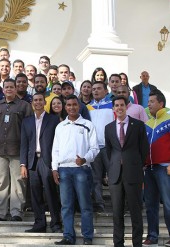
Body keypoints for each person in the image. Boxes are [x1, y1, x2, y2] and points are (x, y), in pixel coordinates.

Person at [52, 94, 99, 245]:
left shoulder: (87, 124)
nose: (71, 107)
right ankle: (68, 236)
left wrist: (85, 159)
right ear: (65, 108)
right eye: (69, 105)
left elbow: (95, 148)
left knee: (85, 205)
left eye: (74, 105)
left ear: (79, 106)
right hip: (64, 169)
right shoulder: (60, 126)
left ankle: (87, 236)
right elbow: (55, 150)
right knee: (66, 206)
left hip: (81, 169)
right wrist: (54, 169)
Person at [0, 78, 33, 221]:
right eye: (6, 87)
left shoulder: (24, 106)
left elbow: (30, 129)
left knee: (18, 182)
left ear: (15, 88)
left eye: (12, 87)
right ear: (3, 89)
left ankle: (16, 212)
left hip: (18, 151)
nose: (9, 89)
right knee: (0, 182)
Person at [105, 96, 149, 247]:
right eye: (116, 105)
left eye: (121, 105)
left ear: (126, 107)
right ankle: (118, 243)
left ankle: (137, 243)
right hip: (115, 175)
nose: (119, 108)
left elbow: (144, 149)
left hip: (133, 173)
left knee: (136, 211)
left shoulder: (137, 125)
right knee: (117, 213)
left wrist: (135, 164)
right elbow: (109, 150)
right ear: (113, 108)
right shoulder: (109, 127)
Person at [20, 93, 62, 233]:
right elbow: (24, 144)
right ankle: (39, 224)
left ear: (45, 102)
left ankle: (56, 224)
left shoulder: (53, 119)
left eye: (40, 100)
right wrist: (23, 164)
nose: (38, 102)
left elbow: (58, 143)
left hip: (47, 161)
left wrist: (56, 163)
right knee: (35, 194)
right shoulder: (26, 121)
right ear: (32, 103)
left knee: (51, 193)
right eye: (35, 100)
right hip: (32, 162)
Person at [143, 89, 170, 247]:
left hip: (164, 168)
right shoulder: (147, 123)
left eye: (152, 102)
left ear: (161, 103)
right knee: (150, 204)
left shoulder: (169, 119)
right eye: (148, 102)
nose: (149, 104)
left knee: (168, 203)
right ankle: (152, 236)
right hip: (149, 169)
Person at [89, 81, 114, 212]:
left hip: (109, 147)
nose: (96, 91)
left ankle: (117, 202)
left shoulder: (112, 106)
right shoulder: (87, 107)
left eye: (99, 88)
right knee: (95, 178)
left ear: (106, 91)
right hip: (94, 148)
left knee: (114, 176)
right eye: (94, 89)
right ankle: (99, 203)